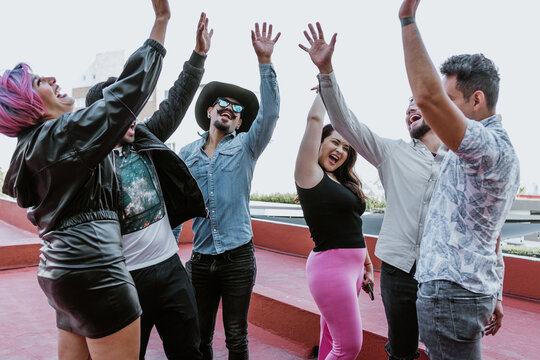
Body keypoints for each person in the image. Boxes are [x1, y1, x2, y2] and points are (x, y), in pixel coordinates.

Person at [0, 1, 170, 359]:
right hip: (97, 272)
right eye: (37, 82)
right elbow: (127, 94)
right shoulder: (60, 136)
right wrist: (160, 24)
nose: (51, 79)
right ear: (28, 104)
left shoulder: (33, 151)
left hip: (60, 275)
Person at [84, 12, 212, 360]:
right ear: (101, 117)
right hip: (125, 285)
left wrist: (198, 58)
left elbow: (176, 103)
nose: (133, 116)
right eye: (122, 110)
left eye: (133, 108)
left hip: (171, 270)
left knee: (191, 351)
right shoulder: (87, 167)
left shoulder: (144, 139)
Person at [398, 1, 520, 359]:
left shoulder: (486, 147)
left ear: (476, 100)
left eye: (451, 101)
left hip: (452, 295)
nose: (440, 110)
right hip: (464, 292)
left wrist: (407, 20)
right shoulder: (489, 149)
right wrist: (493, 292)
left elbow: (426, 96)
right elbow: (492, 235)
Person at [174, 22, 280, 360]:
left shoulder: (248, 147)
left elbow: (272, 112)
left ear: (239, 122)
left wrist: (265, 62)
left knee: (236, 337)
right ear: (209, 110)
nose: (229, 108)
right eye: (222, 102)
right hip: (201, 261)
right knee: (198, 338)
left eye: (237, 109)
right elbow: (175, 208)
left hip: (238, 258)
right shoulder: (185, 155)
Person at [294, 88, 374, 360]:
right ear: (319, 143)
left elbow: (352, 223)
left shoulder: (342, 181)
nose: (340, 150)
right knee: (349, 346)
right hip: (331, 270)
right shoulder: (309, 173)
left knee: (331, 340)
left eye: (346, 147)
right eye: (335, 142)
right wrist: (325, 86)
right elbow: (314, 121)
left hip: (352, 271)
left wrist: (367, 264)